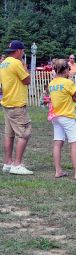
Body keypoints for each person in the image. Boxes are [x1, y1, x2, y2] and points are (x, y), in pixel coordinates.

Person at [48, 59, 76, 180]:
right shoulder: (68, 83)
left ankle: (58, 171)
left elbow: (65, 98)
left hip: (56, 116)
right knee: (75, 143)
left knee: (58, 143)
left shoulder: (52, 84)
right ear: (66, 69)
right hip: (67, 116)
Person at [0, 40, 33, 175]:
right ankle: (17, 164)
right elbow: (27, 80)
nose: (23, 53)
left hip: (7, 102)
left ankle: (7, 163)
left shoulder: (3, 63)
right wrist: (25, 66)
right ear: (18, 51)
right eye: (23, 51)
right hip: (17, 103)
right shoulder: (16, 63)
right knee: (24, 133)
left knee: (9, 134)